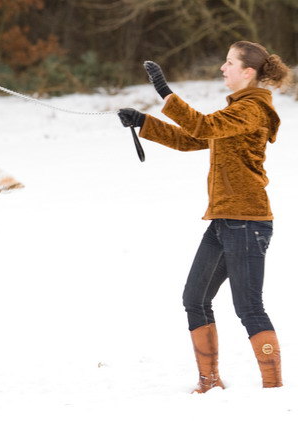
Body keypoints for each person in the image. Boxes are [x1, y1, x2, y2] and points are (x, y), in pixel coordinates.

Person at [118, 41, 291, 393]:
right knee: (194, 299)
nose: (222, 68)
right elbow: (191, 138)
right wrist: (143, 122)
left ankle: (274, 387)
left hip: (247, 221)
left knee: (248, 307)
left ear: (249, 72)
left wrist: (165, 92)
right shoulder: (235, 111)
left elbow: (199, 126)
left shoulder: (253, 110)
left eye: (229, 63)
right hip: (224, 221)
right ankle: (209, 382)